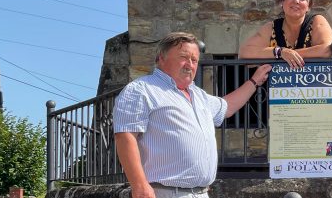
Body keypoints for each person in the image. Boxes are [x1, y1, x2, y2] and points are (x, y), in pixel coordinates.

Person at [113, 32, 272, 198]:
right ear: (161, 59)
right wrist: (139, 186)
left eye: (194, 60)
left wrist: (254, 81)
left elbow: (227, 107)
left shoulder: (198, 95)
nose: (190, 64)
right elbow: (125, 136)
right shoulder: (141, 90)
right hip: (164, 193)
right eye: (184, 57)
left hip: (201, 193)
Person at [238, 0, 332, 68]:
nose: (296, 1)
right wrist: (280, 52)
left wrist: (290, 54)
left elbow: (327, 49)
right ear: (282, 1)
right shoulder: (272, 28)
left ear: (309, 6)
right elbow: (244, 53)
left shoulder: (316, 21)